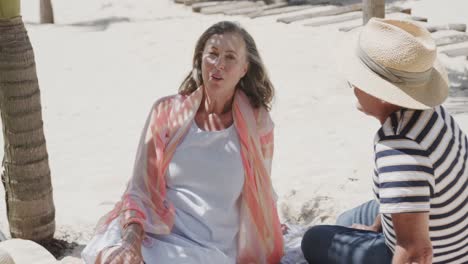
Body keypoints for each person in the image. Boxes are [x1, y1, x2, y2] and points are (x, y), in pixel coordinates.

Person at [81, 21, 284, 264]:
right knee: (115, 258)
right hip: (154, 233)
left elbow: (260, 196)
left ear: (244, 68)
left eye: (230, 57)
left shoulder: (257, 122)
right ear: (200, 59)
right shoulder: (166, 112)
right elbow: (140, 188)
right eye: (212, 54)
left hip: (208, 250)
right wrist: (131, 242)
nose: (218, 65)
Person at [301, 18, 467, 264]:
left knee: (313, 239)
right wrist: (377, 226)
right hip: (452, 232)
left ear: (380, 94)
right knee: (347, 220)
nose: (353, 85)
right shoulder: (429, 111)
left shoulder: (399, 148)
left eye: (356, 79)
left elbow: (417, 252)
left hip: (440, 255)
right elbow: (407, 190)